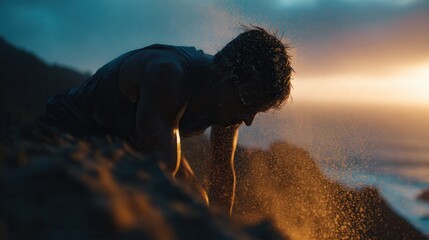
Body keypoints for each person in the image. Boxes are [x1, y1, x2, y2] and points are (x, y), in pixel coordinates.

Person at [40, 26, 293, 215]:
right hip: (69, 126)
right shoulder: (171, 75)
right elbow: (159, 176)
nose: (249, 119)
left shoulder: (233, 100)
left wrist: (219, 228)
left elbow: (222, 174)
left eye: (257, 111)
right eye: (250, 105)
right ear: (229, 76)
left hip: (128, 137)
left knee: (199, 201)